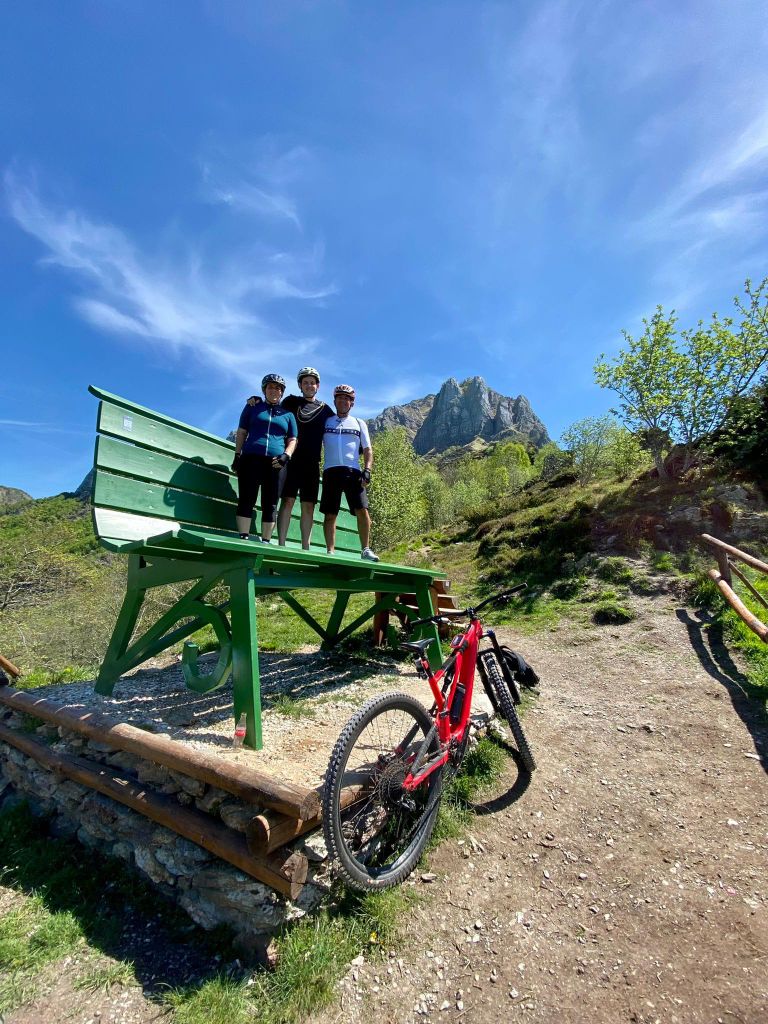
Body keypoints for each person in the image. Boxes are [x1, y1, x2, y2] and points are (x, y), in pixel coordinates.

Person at [248, 367, 333, 549]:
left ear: (318, 386)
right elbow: (272, 406)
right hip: (290, 461)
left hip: (312, 463)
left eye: (312, 383)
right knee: (287, 501)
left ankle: (305, 548)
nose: (309, 386)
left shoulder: (326, 410)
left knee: (308, 506)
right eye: (305, 382)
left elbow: (337, 425)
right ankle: (281, 545)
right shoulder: (291, 402)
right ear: (300, 385)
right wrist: (257, 400)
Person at [232, 374, 297, 542]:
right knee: (246, 498)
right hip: (251, 459)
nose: (274, 390)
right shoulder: (253, 407)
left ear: (282, 392)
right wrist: (237, 455)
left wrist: (286, 456)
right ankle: (243, 538)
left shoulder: (288, 415)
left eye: (278, 388)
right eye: (270, 387)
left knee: (271, 503)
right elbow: (242, 432)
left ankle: (265, 542)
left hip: (276, 463)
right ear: (264, 390)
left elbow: (292, 439)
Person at [321, 384, 379, 562]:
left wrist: (367, 469)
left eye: (347, 399)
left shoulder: (359, 423)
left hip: (353, 472)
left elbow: (368, 449)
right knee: (330, 514)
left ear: (352, 403)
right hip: (330, 471)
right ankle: (330, 552)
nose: (343, 401)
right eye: (340, 398)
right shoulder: (326, 421)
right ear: (335, 401)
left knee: (362, 510)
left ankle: (366, 550)